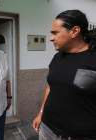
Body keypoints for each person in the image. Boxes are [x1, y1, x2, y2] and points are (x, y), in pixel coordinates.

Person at [33, 9, 96, 140]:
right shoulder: (57, 57)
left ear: (74, 31)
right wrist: (41, 113)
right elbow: (50, 87)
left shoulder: (93, 59)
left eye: (55, 33)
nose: (51, 38)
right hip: (47, 130)